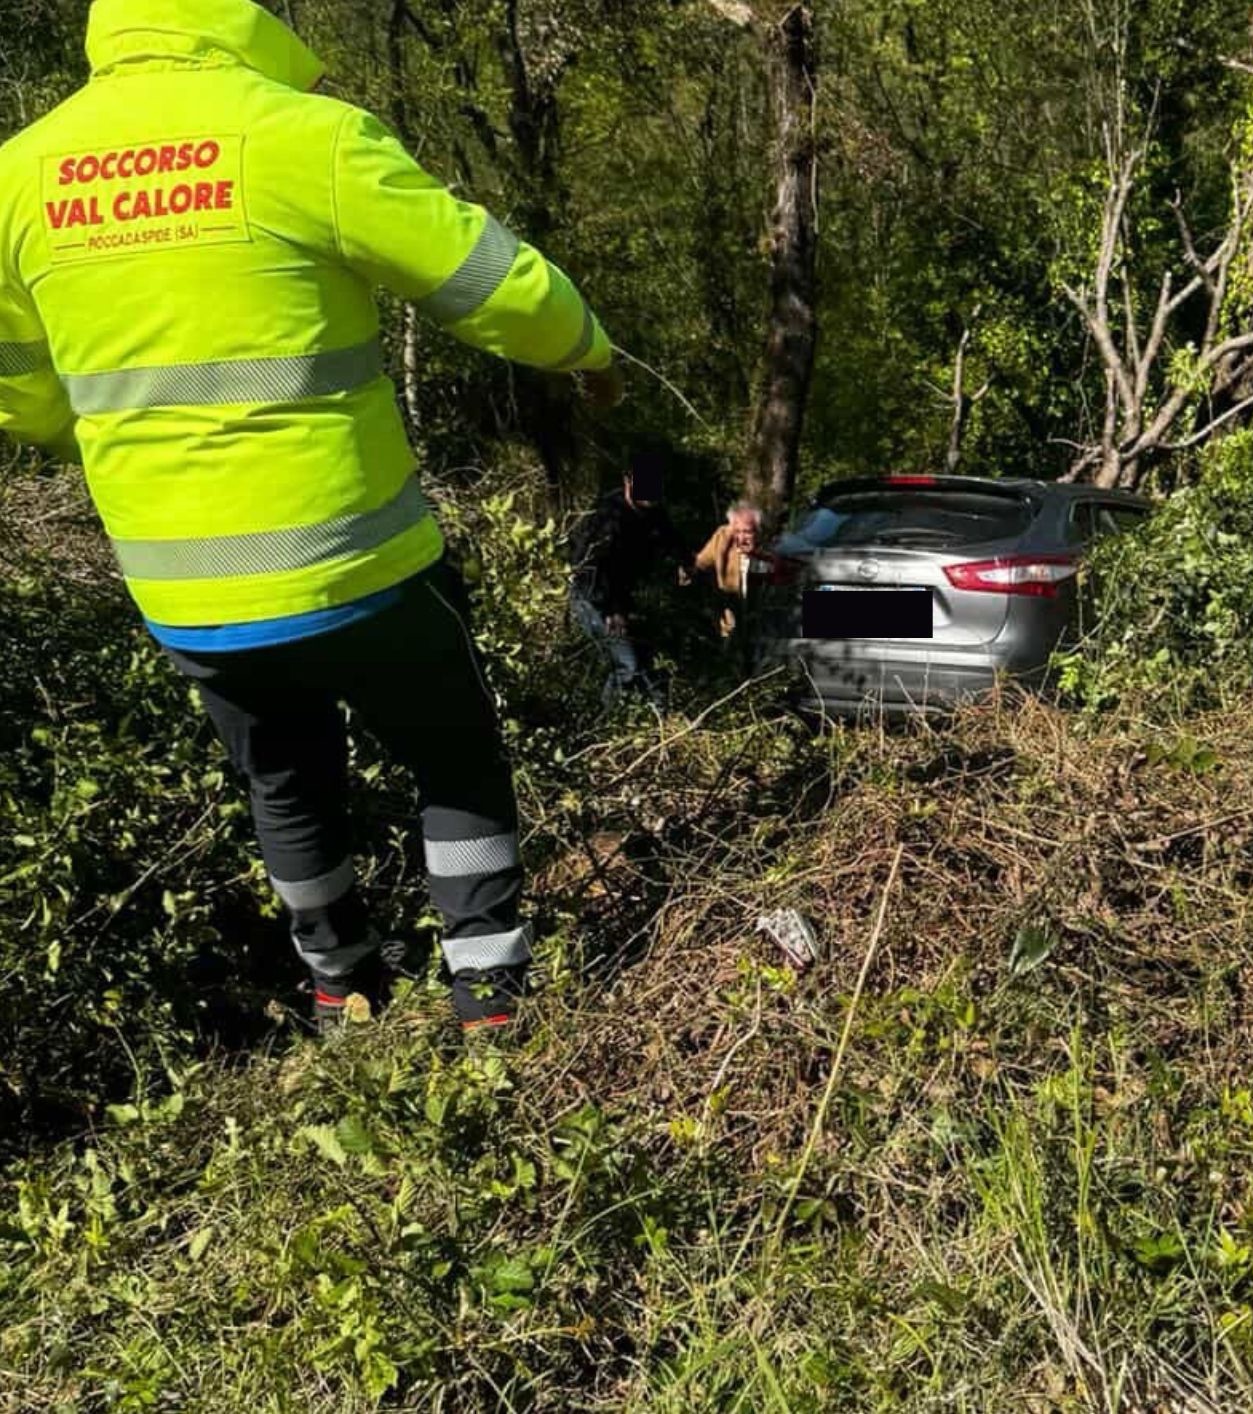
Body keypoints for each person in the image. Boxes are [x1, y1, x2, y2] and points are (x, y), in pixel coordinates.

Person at [0, 0, 625, 1035]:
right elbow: (493, 287)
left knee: (282, 777)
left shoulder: (21, 172)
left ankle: (343, 990)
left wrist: (123, 437)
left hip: (184, 590)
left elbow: (21, 392)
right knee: (451, 750)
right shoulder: (303, 136)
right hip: (356, 560)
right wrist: (584, 350)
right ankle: (491, 999)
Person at [567, 449, 693, 705]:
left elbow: (673, 539)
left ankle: (656, 726)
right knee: (626, 664)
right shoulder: (607, 517)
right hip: (592, 599)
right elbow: (588, 568)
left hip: (622, 598)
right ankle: (603, 726)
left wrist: (684, 562)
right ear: (628, 480)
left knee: (650, 665)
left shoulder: (654, 512)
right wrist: (611, 610)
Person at [694, 501, 766, 641]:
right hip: (731, 620)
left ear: (757, 530)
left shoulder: (768, 549)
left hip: (760, 624)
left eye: (747, 532)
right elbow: (700, 563)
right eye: (737, 531)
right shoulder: (723, 541)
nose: (741, 537)